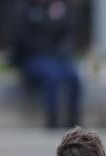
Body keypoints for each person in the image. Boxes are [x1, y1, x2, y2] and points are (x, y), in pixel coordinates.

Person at [7, 0, 83, 129]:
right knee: (51, 75)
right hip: (32, 59)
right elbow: (21, 39)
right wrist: (48, 50)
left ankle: (74, 122)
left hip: (57, 58)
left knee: (73, 75)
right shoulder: (23, 8)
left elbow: (68, 34)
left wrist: (62, 50)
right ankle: (52, 121)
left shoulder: (59, 7)